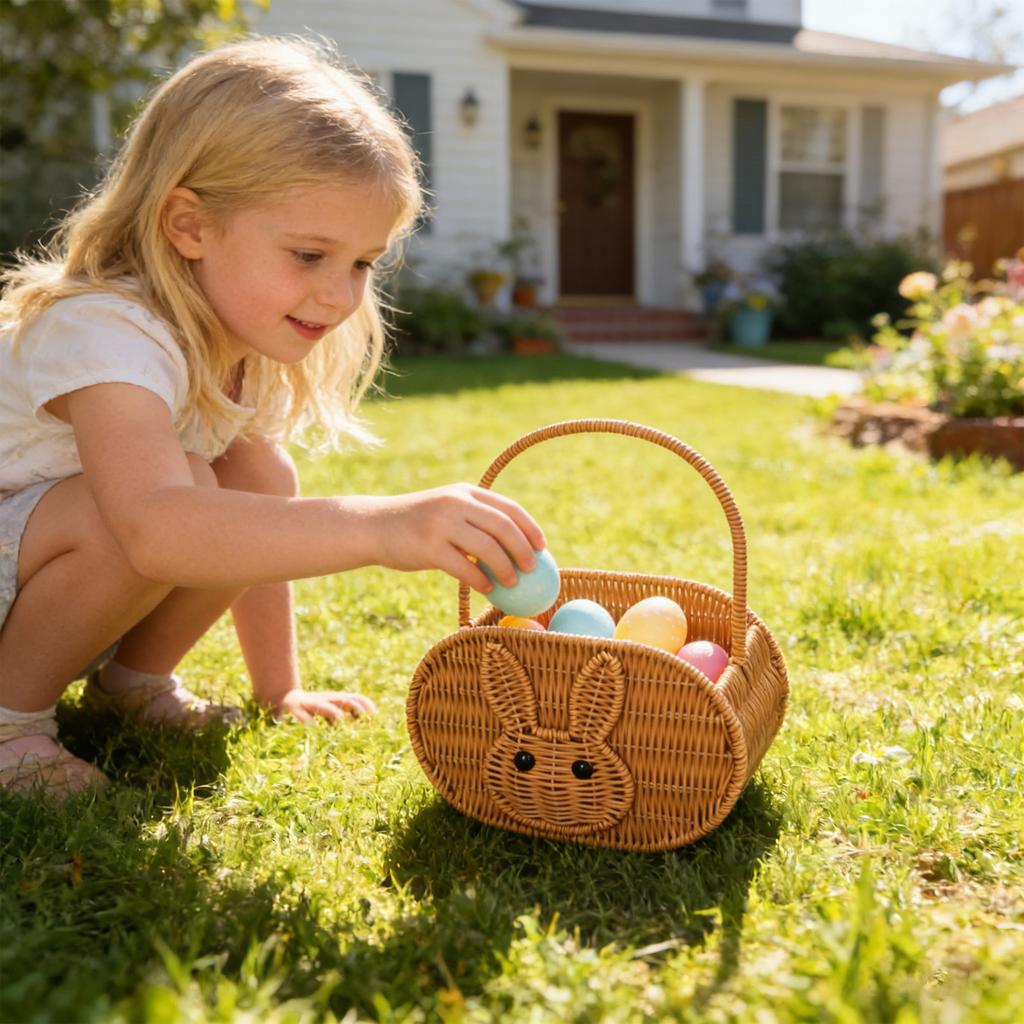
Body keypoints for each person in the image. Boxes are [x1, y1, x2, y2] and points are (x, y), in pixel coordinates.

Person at [0, 37, 545, 797]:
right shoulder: (104, 330)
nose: (341, 294)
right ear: (188, 226)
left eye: (362, 262)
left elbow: (254, 506)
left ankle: (133, 684)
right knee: (161, 498)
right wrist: (381, 528)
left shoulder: (231, 340)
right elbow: (154, 527)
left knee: (254, 471)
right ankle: (9, 726)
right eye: (309, 255)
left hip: (33, 578)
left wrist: (278, 690)